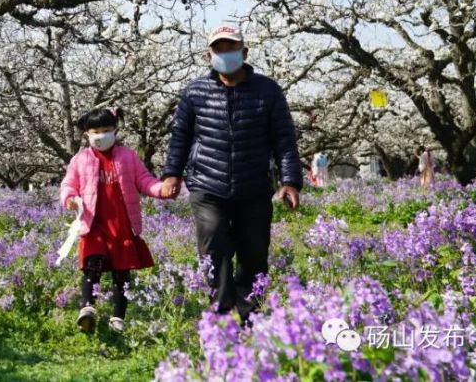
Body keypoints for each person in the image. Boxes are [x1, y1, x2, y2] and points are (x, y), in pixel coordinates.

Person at [160, 24, 303, 325]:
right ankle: (222, 314)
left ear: (245, 52)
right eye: (219, 49)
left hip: (253, 186)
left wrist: (290, 181)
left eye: (231, 48)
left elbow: (284, 140)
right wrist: (172, 174)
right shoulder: (195, 92)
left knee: (254, 254)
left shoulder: (268, 90)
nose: (226, 54)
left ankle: (251, 316)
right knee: (214, 245)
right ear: (208, 54)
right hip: (207, 185)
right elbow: (180, 137)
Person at [59, 107, 172, 333]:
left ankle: (117, 318)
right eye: (95, 131)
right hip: (93, 225)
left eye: (106, 130)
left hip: (122, 225)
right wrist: (70, 198)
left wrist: (162, 189)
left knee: (122, 273)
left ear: (115, 130)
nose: (101, 135)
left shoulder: (127, 156)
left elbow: (144, 180)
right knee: (92, 265)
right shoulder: (80, 159)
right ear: (86, 134)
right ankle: (87, 308)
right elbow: (68, 184)